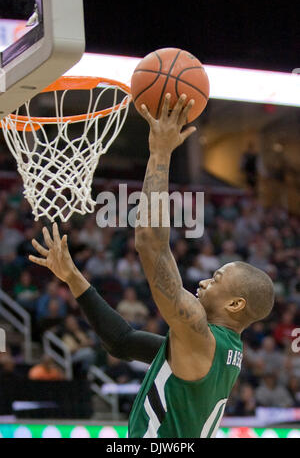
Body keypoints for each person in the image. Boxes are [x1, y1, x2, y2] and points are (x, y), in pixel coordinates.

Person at [29, 94, 275, 438]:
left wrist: (160, 151)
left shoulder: (200, 336)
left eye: (216, 279)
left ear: (236, 304)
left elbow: (149, 243)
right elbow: (122, 341)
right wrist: (72, 277)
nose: (203, 282)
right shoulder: (216, 348)